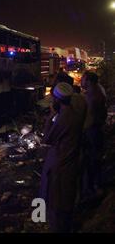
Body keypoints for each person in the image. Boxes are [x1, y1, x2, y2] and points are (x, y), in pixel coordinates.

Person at [40, 82, 85, 232]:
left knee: (57, 202)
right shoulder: (74, 112)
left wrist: (50, 117)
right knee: (66, 198)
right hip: (70, 161)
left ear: (57, 100)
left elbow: (47, 139)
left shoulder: (63, 117)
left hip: (61, 164)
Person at [81, 71, 107, 196]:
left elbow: (89, 119)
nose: (81, 81)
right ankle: (95, 186)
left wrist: (81, 131)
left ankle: (93, 188)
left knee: (92, 161)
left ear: (89, 81)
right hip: (97, 130)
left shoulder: (92, 96)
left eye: (83, 79)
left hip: (93, 132)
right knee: (95, 160)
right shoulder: (98, 90)